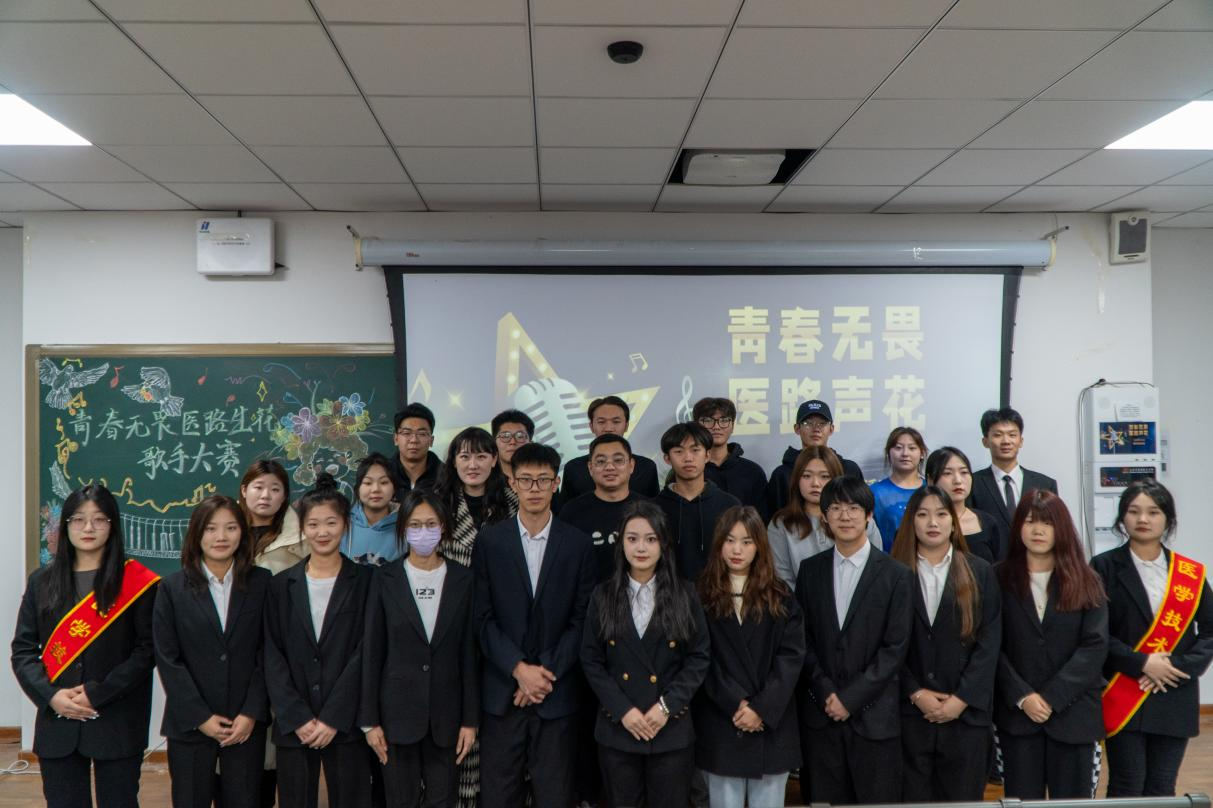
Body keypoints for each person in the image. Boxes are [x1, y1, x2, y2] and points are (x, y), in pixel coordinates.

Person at [11, 484, 160, 808]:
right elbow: (23, 651)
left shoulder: (136, 583)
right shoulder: (42, 581)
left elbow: (147, 651)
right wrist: (51, 696)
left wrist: (98, 692)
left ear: (112, 525)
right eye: (78, 519)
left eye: (99, 519)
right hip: (58, 722)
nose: (88, 528)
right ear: (65, 525)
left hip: (117, 720)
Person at [471, 442, 596, 808]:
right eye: (526, 480)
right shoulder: (490, 541)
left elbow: (582, 620)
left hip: (556, 695)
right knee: (498, 797)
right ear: (512, 483)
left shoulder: (577, 544)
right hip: (502, 694)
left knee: (555, 796)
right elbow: (481, 618)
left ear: (556, 483)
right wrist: (518, 669)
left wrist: (542, 674)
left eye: (543, 480)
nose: (535, 488)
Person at [580, 500, 710, 808]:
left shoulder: (685, 594)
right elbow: (591, 660)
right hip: (618, 730)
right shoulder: (603, 595)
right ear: (621, 543)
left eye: (651, 539)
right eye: (633, 538)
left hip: (670, 729)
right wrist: (624, 711)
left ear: (664, 544)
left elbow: (699, 657)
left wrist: (665, 707)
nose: (641, 547)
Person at [794, 476, 912, 805]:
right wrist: (827, 692)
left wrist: (851, 698)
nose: (845, 516)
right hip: (822, 717)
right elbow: (802, 640)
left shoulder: (896, 574)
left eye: (854, 508)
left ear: (869, 515)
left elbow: (895, 649)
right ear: (824, 517)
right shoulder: (810, 570)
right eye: (835, 508)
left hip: (875, 720)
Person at [1091, 480, 1213, 797]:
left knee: (1162, 786)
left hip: (1174, 692)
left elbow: (1210, 631)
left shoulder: (1189, 573)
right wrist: (1142, 662)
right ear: (1122, 517)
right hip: (1124, 689)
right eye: (1134, 511)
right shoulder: (1102, 567)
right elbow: (1094, 632)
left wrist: (1177, 667)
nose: (1143, 519)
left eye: (1153, 512)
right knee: (1126, 784)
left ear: (1168, 519)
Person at [362, 490, 479, 808]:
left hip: (447, 718)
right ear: (402, 529)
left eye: (431, 524)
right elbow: (372, 652)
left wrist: (470, 720)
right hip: (395, 718)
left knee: (443, 800)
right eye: (415, 525)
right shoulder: (384, 579)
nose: (423, 532)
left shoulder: (463, 579)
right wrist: (370, 721)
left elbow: (469, 655)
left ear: (444, 527)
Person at [154, 494, 272, 808]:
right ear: (196, 533)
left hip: (244, 723)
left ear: (242, 533)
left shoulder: (262, 583)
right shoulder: (171, 588)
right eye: (210, 528)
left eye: (231, 528)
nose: (221, 537)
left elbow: (269, 652)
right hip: (191, 722)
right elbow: (168, 659)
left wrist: (251, 712)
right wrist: (200, 716)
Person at [263, 474, 374, 808]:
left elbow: (366, 652)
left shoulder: (368, 582)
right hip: (294, 724)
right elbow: (272, 654)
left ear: (346, 525)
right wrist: (296, 716)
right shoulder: (280, 585)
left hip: (346, 723)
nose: (322, 532)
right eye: (313, 524)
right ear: (302, 529)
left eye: (331, 523)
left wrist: (333, 717)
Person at [889, 486, 1002, 801]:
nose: (932, 523)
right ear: (911, 522)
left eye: (941, 514)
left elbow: (990, 642)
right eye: (922, 515)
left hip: (966, 718)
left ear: (953, 521)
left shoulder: (979, 571)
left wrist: (961, 699)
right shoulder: (892, 572)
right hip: (911, 717)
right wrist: (916, 693)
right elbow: (886, 644)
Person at [996, 490, 1108, 799]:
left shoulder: (1087, 579)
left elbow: (1095, 646)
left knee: (1073, 802)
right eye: (1030, 521)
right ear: (1018, 527)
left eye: (1047, 523)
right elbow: (991, 645)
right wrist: (1023, 697)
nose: (1038, 530)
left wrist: (1051, 698)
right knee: (1021, 801)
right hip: (1018, 716)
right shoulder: (997, 578)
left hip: (1074, 715)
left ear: (1062, 528)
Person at [696, 506, 804, 808]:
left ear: (759, 546)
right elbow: (700, 659)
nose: (737, 550)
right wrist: (736, 703)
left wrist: (760, 709)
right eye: (730, 540)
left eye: (746, 542)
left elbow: (791, 658)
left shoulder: (781, 595)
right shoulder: (700, 594)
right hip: (722, 722)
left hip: (771, 724)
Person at [431, 426, 513, 808]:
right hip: (451, 628)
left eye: (481, 455)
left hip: (503, 629)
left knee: (498, 729)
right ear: (453, 461)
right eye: (464, 456)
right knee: (458, 723)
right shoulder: (437, 505)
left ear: (495, 459)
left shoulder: (514, 503)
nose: (473, 464)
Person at [768, 447, 882, 587]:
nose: (815, 483)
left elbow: (877, 571)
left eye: (824, 476)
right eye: (806, 476)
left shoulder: (860, 520)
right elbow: (782, 579)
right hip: (798, 600)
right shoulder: (781, 524)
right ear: (796, 479)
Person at [655, 422, 741, 582]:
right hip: (667, 594)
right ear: (667, 458)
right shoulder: (653, 509)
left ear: (707, 455)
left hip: (719, 593)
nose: (688, 458)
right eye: (679, 451)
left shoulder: (729, 506)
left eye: (695, 450)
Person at [560, 433, 647, 584]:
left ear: (631, 465)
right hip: (588, 596)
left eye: (618, 460)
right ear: (590, 468)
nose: (610, 467)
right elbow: (565, 565)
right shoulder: (571, 511)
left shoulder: (649, 509)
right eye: (601, 461)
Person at [556, 396, 660, 509]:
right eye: (601, 422)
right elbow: (565, 513)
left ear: (626, 425)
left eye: (616, 422)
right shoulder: (573, 468)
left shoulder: (646, 467)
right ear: (591, 426)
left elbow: (655, 512)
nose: (609, 428)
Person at [968, 407, 1058, 537]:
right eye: (998, 435)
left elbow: (1053, 529)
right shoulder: (972, 484)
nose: (1006, 441)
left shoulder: (1045, 484)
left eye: (1012, 435)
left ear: (1021, 441)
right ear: (985, 441)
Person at [766, 400, 863, 517]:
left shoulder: (849, 469)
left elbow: (861, 512)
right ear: (797, 428)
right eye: (808, 423)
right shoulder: (782, 474)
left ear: (831, 429)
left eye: (822, 423)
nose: (816, 429)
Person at [926, 446, 1005, 563]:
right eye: (947, 473)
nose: (958, 480)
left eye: (964, 472)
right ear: (930, 480)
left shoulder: (988, 522)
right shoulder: (921, 523)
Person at [694, 397, 769, 516]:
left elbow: (761, 519)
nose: (716, 426)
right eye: (708, 420)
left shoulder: (753, 471)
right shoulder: (689, 470)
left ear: (732, 426)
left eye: (724, 420)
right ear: (696, 426)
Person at [242, 459, 306, 575]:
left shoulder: (302, 540)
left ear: (284, 496)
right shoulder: (226, 533)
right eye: (259, 487)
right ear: (244, 491)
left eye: (275, 489)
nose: (265, 495)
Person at [870, 427, 926, 552]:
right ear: (888, 453)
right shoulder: (874, 492)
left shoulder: (932, 491)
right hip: (887, 561)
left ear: (922, 453)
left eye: (912, 448)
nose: (905, 453)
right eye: (898, 448)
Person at [343, 452, 401, 567]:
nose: (375, 489)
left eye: (384, 482)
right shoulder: (342, 525)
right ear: (358, 488)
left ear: (394, 488)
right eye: (368, 483)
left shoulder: (407, 527)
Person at [391, 403, 442, 500]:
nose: (414, 440)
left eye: (422, 434)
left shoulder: (446, 476)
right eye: (406, 433)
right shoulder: (384, 473)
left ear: (431, 441)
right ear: (396, 439)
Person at [490, 408, 534, 484]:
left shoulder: (545, 478)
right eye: (505, 436)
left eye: (520, 436)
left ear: (531, 443)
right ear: (494, 443)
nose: (513, 442)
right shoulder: (483, 481)